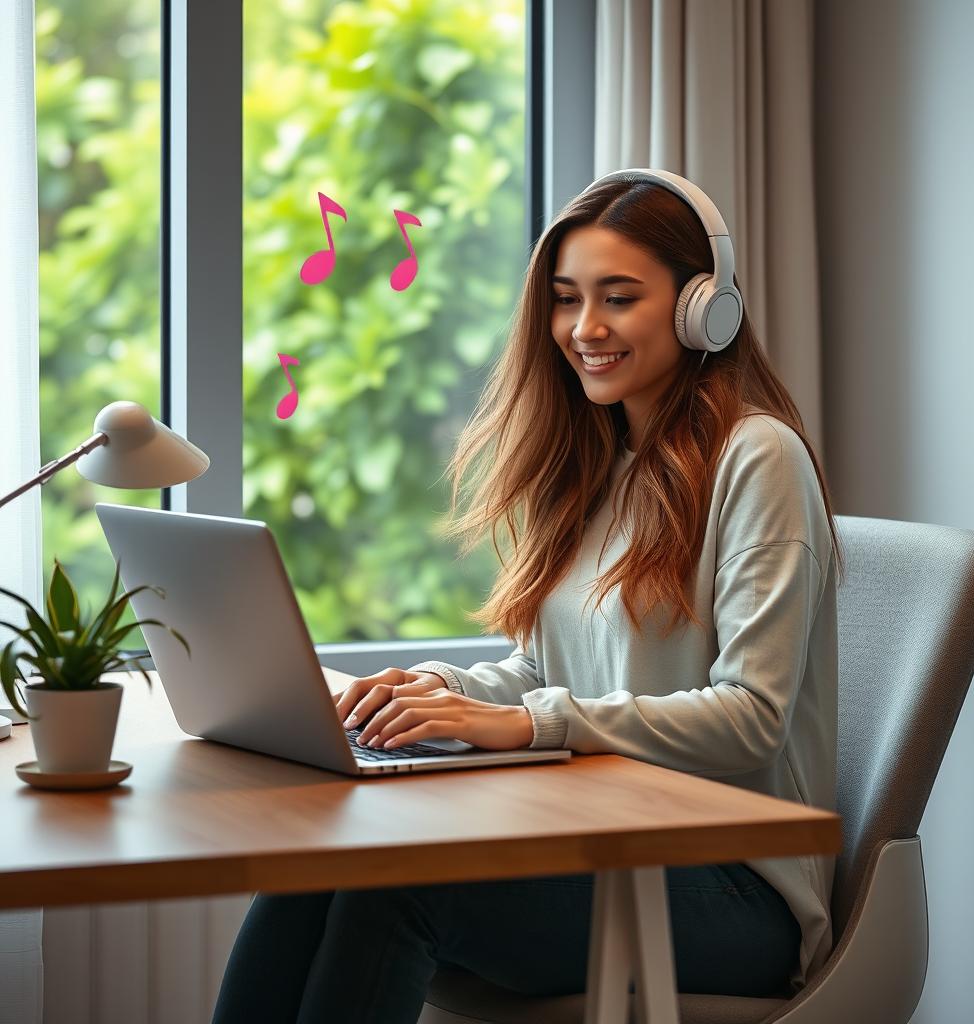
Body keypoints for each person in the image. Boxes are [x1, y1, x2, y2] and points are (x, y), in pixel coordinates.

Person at [212, 168, 845, 1023]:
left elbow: (750, 717)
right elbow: (543, 668)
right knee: (321, 856)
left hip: (736, 891)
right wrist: (442, 690)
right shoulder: (597, 459)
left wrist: (531, 722)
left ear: (704, 309)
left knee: (391, 893)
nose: (585, 329)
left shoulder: (757, 458)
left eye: (619, 298)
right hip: (610, 848)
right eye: (566, 299)